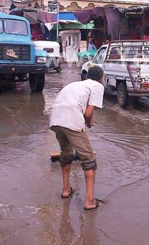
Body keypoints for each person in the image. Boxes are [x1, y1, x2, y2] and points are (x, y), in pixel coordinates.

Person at [49, 66, 105, 210]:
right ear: (101, 78)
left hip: (56, 119)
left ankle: (66, 190)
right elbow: (88, 113)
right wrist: (89, 123)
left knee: (66, 154)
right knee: (89, 160)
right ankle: (90, 201)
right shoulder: (97, 86)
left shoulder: (76, 84)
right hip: (71, 120)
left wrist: (86, 121)